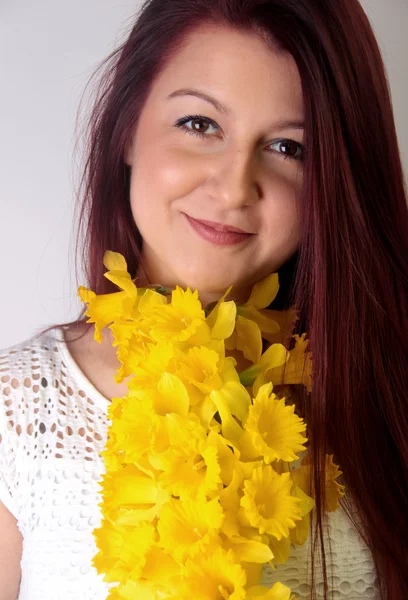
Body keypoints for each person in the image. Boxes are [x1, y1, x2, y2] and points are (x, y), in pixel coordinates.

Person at [1, 0, 407, 598]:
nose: (234, 185)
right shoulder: (16, 412)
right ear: (127, 130)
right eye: (200, 124)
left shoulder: (382, 392)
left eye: (289, 148)